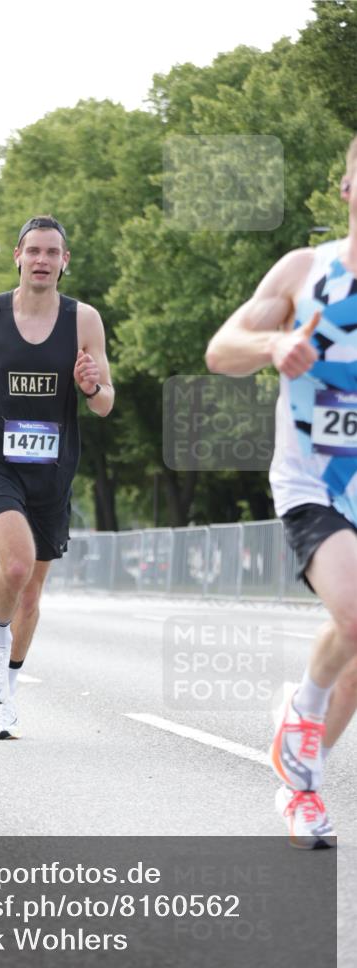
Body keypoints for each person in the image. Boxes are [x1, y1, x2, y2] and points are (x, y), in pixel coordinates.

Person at [205, 136, 357, 848]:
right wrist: (271, 346)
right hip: (312, 480)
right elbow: (220, 350)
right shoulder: (305, 270)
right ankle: (304, 709)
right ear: (346, 188)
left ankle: (301, 784)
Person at [0, 216, 114, 739]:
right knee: (15, 566)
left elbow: (105, 404)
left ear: (64, 261)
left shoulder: (84, 320)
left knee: (32, 595)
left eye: (52, 252)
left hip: (52, 471)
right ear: (17, 255)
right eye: (33, 250)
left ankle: (5, 695)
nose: (42, 260)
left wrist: (91, 386)